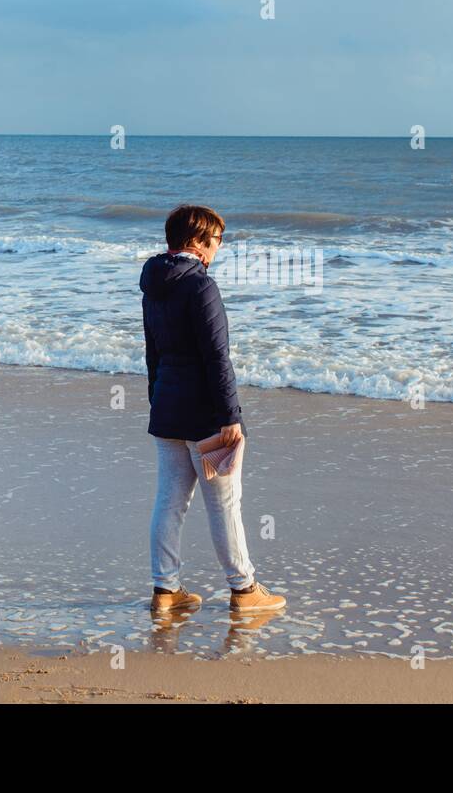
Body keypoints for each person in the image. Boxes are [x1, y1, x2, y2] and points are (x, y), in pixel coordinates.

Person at [139, 204, 286, 614]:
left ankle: (165, 592)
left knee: (169, 502)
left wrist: (157, 398)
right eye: (218, 240)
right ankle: (244, 591)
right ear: (198, 242)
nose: (220, 248)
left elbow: (153, 351)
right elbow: (217, 357)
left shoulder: (154, 283)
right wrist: (230, 416)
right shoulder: (201, 286)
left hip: (168, 407)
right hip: (204, 414)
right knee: (224, 503)